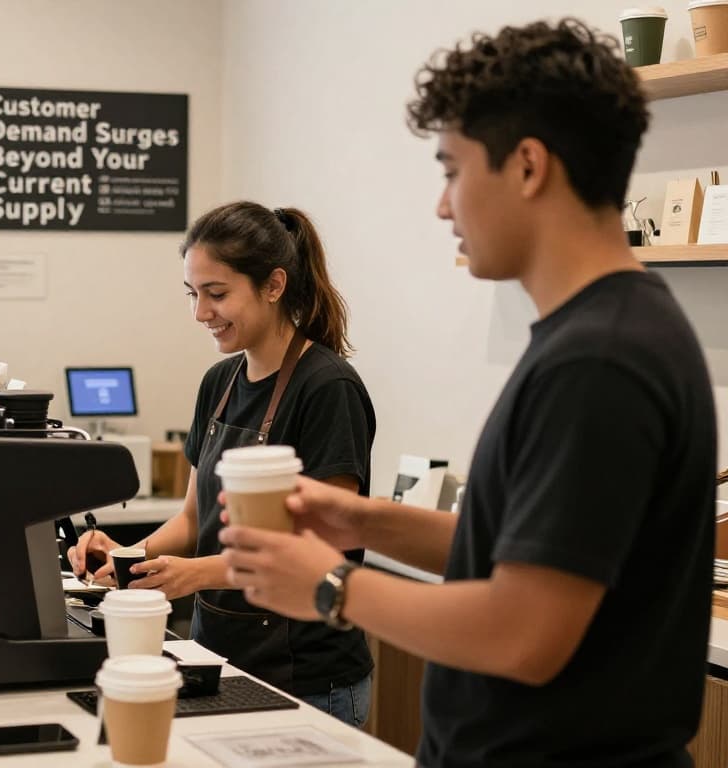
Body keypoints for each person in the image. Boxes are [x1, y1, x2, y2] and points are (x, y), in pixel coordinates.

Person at [218, 19, 715, 768]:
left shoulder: (600, 361)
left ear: (526, 166)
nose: (443, 207)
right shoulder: (607, 332)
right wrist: (360, 518)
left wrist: (328, 588)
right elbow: (521, 553)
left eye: (452, 171)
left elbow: (522, 632)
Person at [69, 201, 376, 725]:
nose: (200, 313)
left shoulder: (327, 388)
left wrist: (195, 575)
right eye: (194, 294)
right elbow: (193, 521)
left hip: (305, 674)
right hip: (220, 660)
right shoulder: (220, 383)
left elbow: (330, 546)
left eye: (217, 294)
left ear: (274, 286)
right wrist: (127, 556)